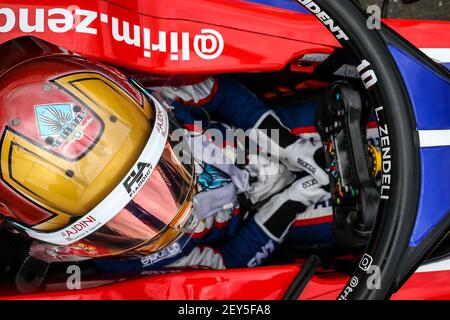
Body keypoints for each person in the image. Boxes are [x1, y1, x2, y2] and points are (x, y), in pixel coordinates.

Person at [0, 37, 332, 281]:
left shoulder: (153, 92)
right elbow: (220, 273)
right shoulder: (125, 260)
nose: (180, 212)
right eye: (118, 214)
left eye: (157, 165)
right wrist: (287, 207)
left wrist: (283, 142)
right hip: (255, 220)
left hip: (264, 137)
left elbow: (219, 91)